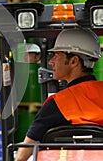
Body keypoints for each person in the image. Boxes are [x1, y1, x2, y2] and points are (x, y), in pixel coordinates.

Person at [15, 28, 103, 161]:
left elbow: (24, 152)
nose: (51, 62)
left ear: (73, 61)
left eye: (57, 56)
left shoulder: (57, 103)